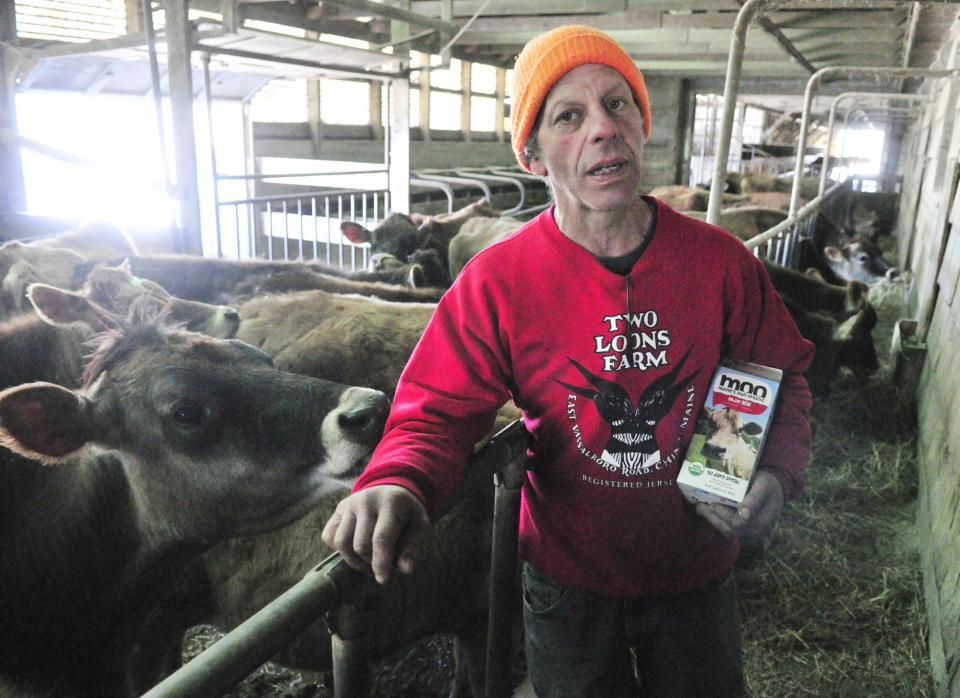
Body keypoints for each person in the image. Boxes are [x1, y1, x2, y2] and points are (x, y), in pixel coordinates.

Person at [322, 24, 815, 697]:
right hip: (567, 580)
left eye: (618, 105)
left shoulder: (723, 264)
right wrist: (399, 479)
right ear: (533, 156)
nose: (603, 131)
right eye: (569, 116)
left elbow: (780, 380)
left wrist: (778, 473)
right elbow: (436, 412)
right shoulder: (499, 280)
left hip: (697, 573)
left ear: (642, 125)